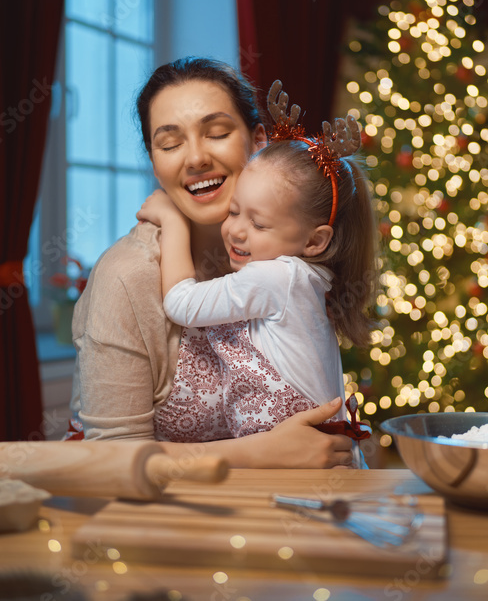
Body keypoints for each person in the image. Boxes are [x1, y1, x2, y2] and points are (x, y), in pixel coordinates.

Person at [68, 58, 355, 468]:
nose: (196, 158)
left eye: (217, 133)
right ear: (154, 162)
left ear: (258, 142)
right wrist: (259, 454)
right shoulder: (126, 277)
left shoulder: (287, 253)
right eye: (169, 144)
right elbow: (108, 458)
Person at [135, 81, 376, 446]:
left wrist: (172, 222)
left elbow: (181, 304)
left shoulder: (275, 277)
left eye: (258, 224)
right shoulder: (308, 278)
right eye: (234, 212)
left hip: (300, 466)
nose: (235, 231)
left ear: (314, 241)